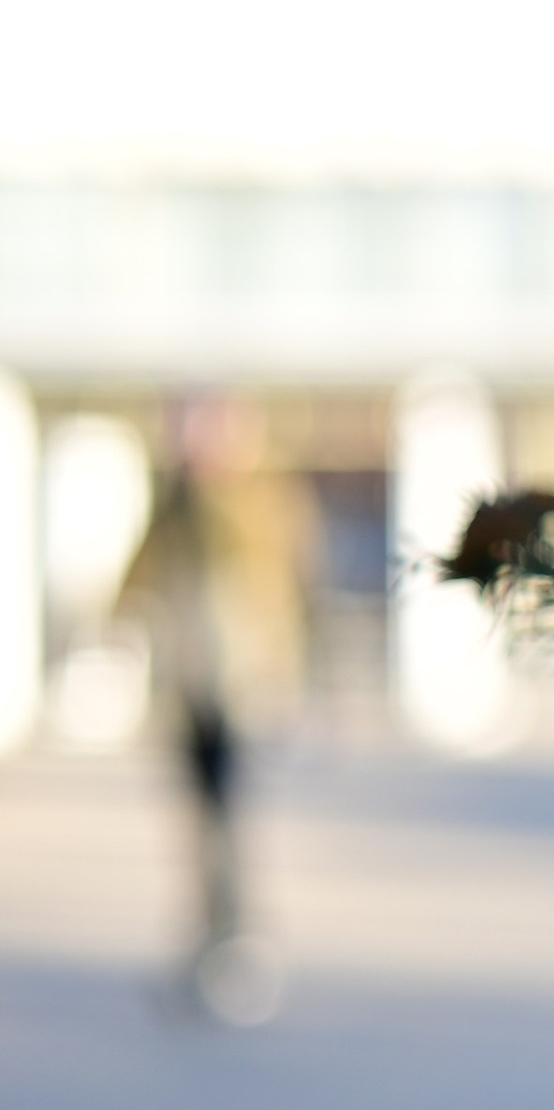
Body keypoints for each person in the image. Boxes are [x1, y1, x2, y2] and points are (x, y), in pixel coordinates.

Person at [116, 406, 319, 1013]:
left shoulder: (257, 500)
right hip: (190, 684)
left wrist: (291, 676)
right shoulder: (176, 505)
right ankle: (211, 935)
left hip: (242, 687)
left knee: (229, 820)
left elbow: (288, 587)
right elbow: (139, 578)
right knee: (203, 821)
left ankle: (234, 940)